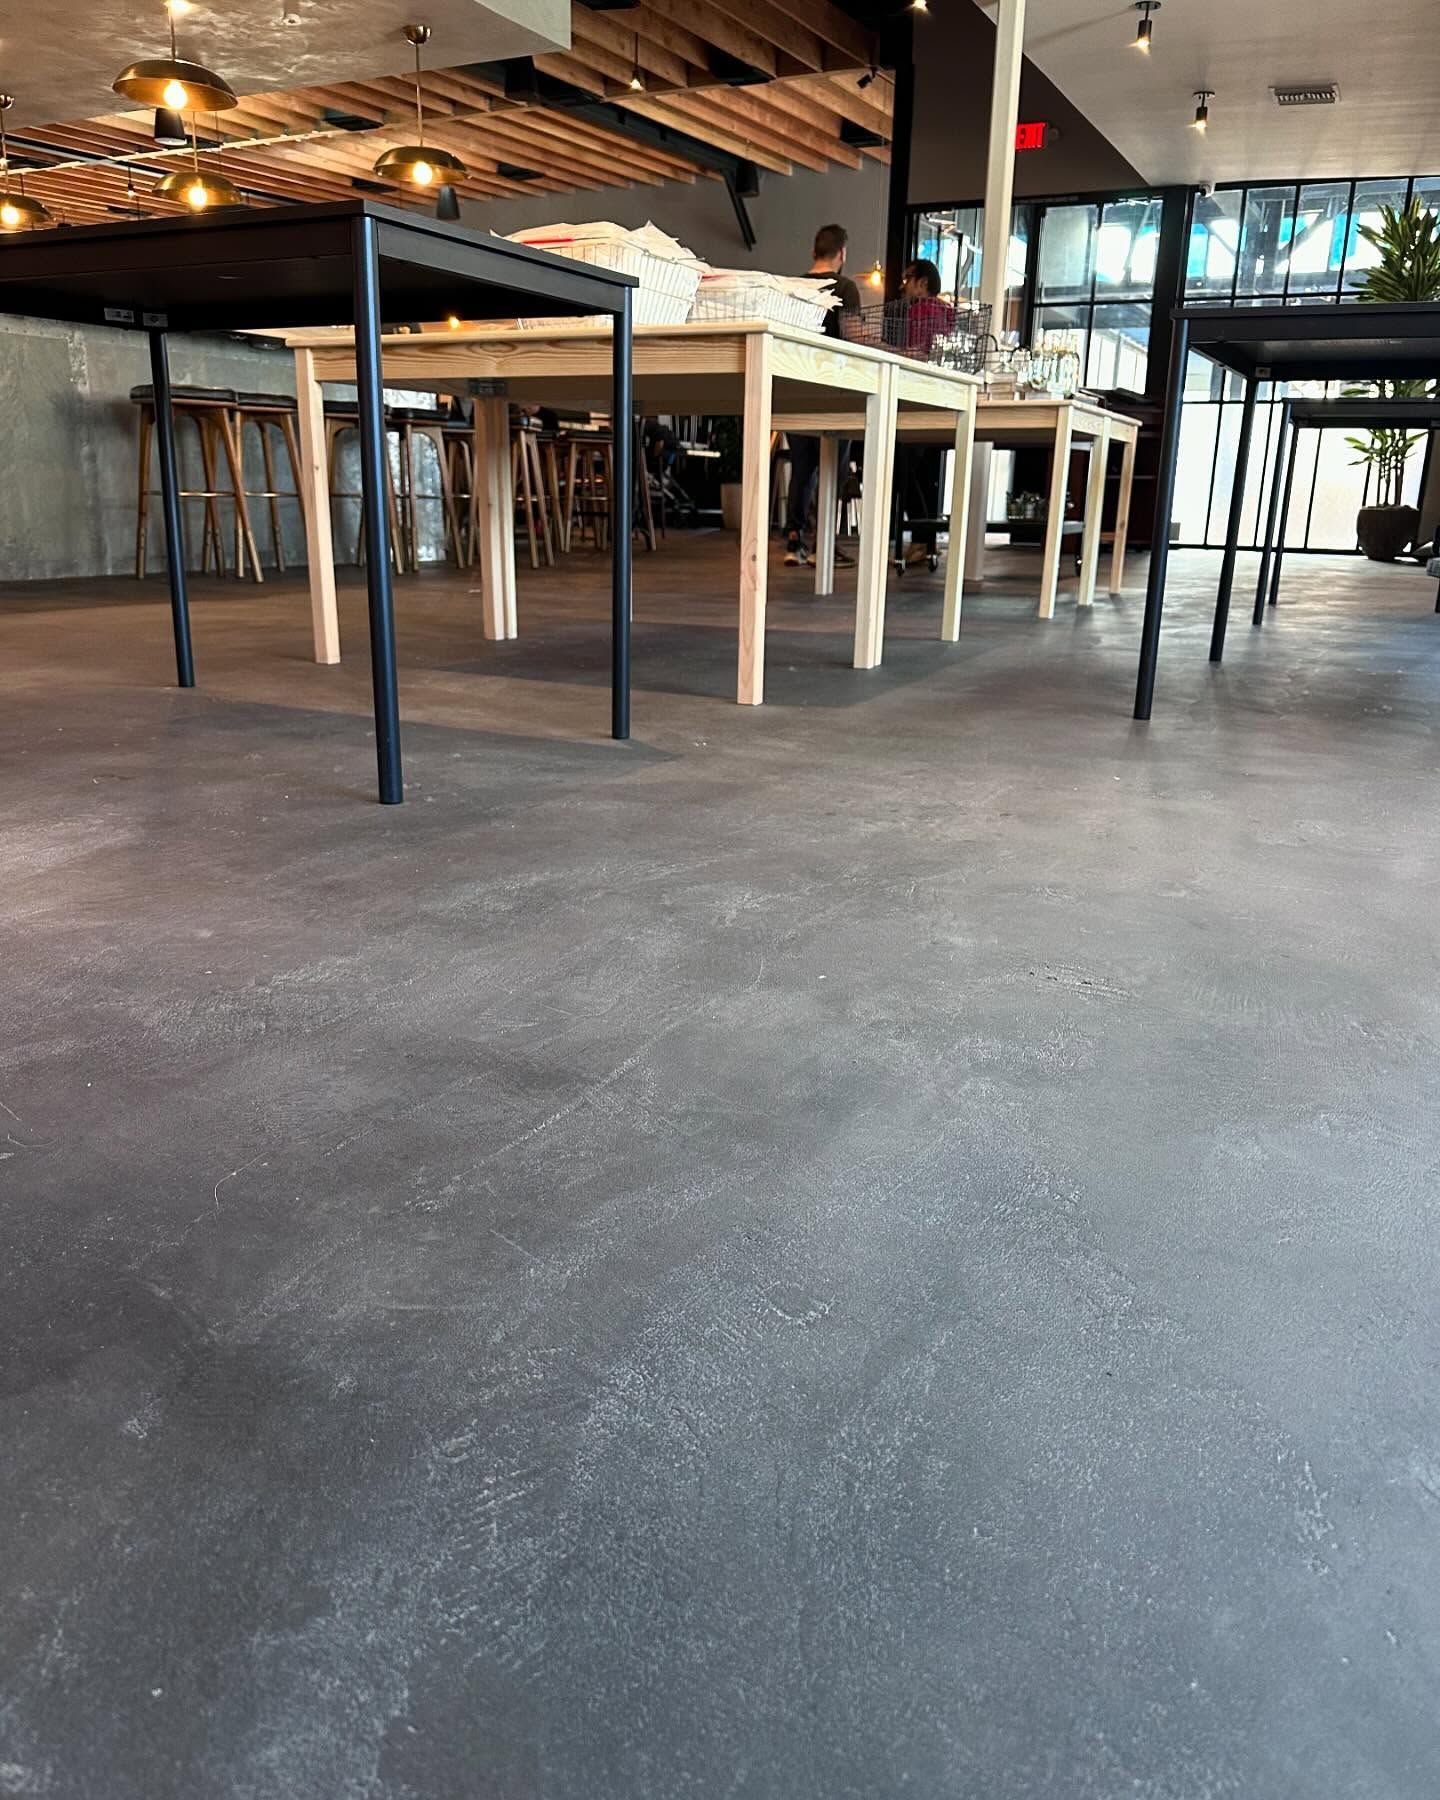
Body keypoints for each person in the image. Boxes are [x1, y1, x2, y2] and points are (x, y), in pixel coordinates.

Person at [783, 224, 862, 566]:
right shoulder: (844, 287)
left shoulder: (793, 286)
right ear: (842, 253)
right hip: (833, 390)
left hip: (795, 388)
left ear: (813, 251)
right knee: (832, 470)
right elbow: (854, 336)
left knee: (802, 470)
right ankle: (823, 546)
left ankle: (794, 541)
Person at [895, 258, 953, 565]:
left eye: (908, 278)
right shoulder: (948, 312)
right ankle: (927, 542)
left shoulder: (919, 311)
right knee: (928, 474)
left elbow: (916, 355)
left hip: (916, 400)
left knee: (902, 469)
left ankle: (919, 539)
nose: (903, 285)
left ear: (923, 283)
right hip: (943, 401)